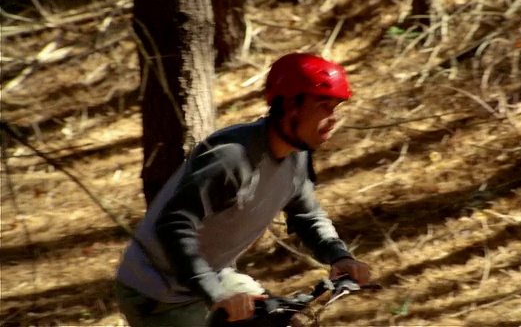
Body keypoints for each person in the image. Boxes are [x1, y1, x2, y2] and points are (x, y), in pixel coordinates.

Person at [114, 53, 371, 326]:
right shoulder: (231, 157)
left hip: (214, 277)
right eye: (323, 107)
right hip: (158, 293)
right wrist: (214, 293)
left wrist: (339, 256)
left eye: (335, 108)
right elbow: (174, 225)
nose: (333, 119)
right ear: (290, 105)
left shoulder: (297, 156)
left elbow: (307, 215)